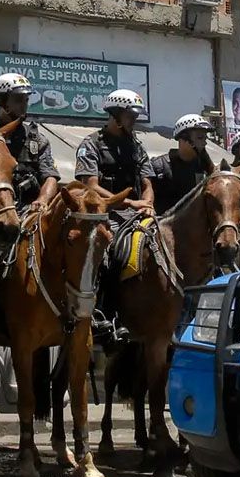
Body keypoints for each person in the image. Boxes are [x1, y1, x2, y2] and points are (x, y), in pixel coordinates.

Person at [0, 73, 60, 335]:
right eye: (18, 99)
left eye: (25, 99)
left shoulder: (37, 139)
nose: (24, 104)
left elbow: (51, 176)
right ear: (2, 102)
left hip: (29, 211)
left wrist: (43, 199)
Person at [75, 88, 155, 341]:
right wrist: (127, 203)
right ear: (115, 115)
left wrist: (147, 203)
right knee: (107, 254)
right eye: (130, 116)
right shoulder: (91, 144)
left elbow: (148, 183)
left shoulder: (137, 147)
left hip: (136, 212)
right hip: (105, 213)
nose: (133, 121)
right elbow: (89, 184)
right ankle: (104, 313)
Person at [151, 113, 214, 215]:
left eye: (205, 138)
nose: (205, 143)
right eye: (200, 138)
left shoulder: (203, 168)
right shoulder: (159, 166)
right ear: (183, 138)